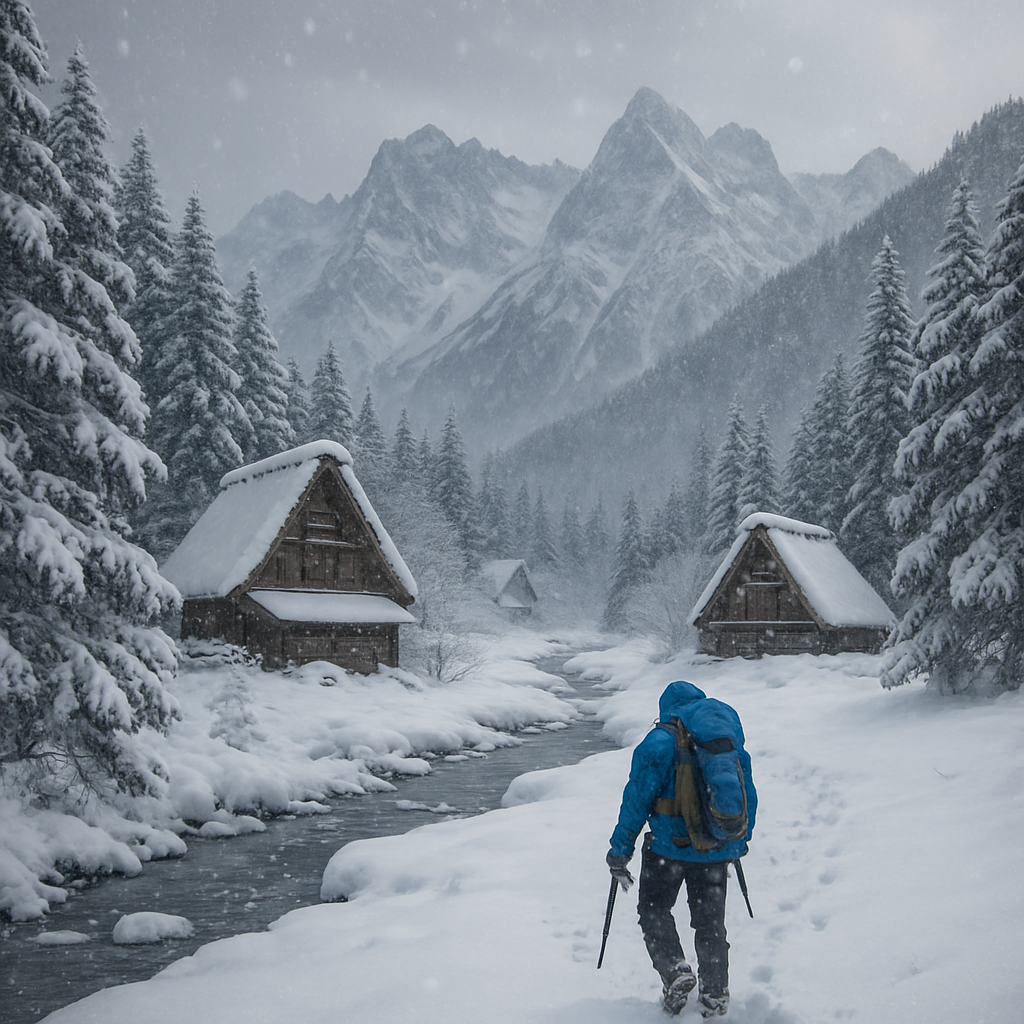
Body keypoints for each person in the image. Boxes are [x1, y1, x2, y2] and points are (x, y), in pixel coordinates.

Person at [607, 680, 756, 1017]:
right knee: (710, 924)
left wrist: (620, 850)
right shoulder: (724, 741)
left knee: (654, 910)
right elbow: (748, 794)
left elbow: (636, 801)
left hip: (667, 850)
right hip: (715, 850)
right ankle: (715, 995)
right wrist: (738, 842)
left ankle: (674, 971)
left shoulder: (659, 742)